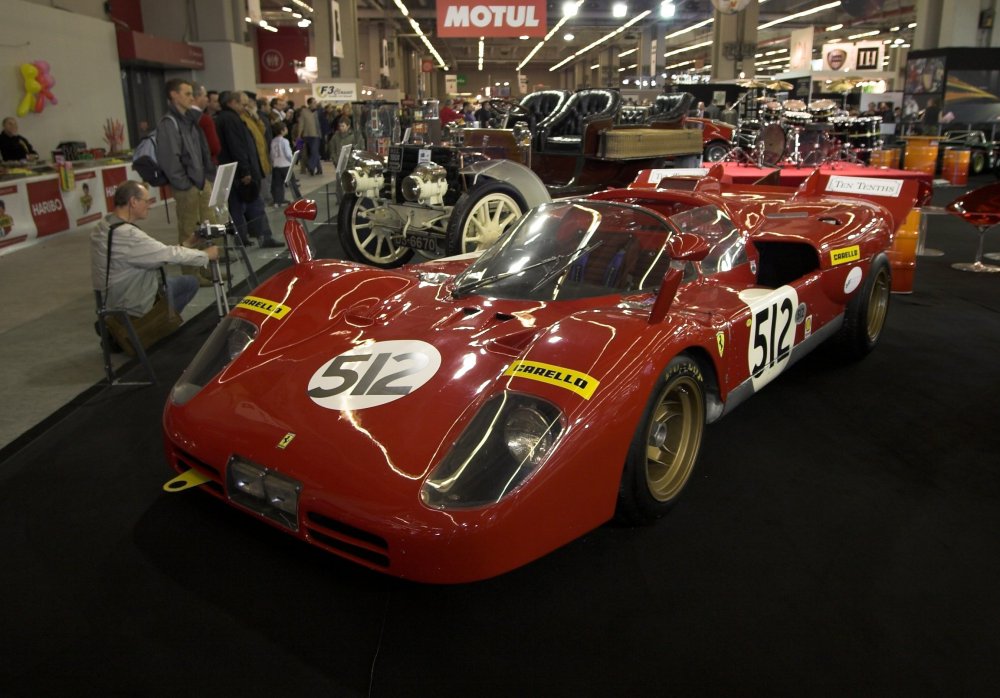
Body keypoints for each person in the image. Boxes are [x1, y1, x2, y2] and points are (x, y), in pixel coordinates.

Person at [90, 180, 218, 323]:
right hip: (131, 300)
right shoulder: (128, 235)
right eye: (146, 201)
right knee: (190, 283)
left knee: (179, 281)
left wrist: (187, 243)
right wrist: (206, 255)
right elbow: (168, 255)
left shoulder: (104, 225)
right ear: (133, 202)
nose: (149, 206)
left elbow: (156, 253)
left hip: (114, 296)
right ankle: (157, 326)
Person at [155, 78, 218, 285]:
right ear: (174, 95)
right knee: (189, 229)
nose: (192, 98)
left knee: (206, 227)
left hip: (200, 181)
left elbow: (202, 150)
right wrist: (184, 183)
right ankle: (192, 273)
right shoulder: (169, 123)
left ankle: (205, 267)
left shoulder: (190, 120)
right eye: (187, 94)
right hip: (188, 186)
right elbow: (169, 158)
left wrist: (206, 177)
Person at [215, 90, 282, 248]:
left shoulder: (232, 118)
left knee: (241, 206)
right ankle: (261, 236)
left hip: (239, 170)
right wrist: (245, 171)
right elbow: (237, 146)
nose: (245, 107)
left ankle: (245, 237)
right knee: (252, 205)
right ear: (232, 103)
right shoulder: (230, 120)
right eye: (243, 104)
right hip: (241, 172)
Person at [270, 121, 293, 207]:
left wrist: (273, 162)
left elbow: (272, 154)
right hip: (285, 165)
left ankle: (278, 201)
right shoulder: (284, 141)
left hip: (276, 165)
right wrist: (292, 160)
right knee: (291, 182)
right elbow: (287, 153)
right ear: (282, 130)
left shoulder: (273, 141)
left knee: (278, 184)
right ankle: (298, 198)